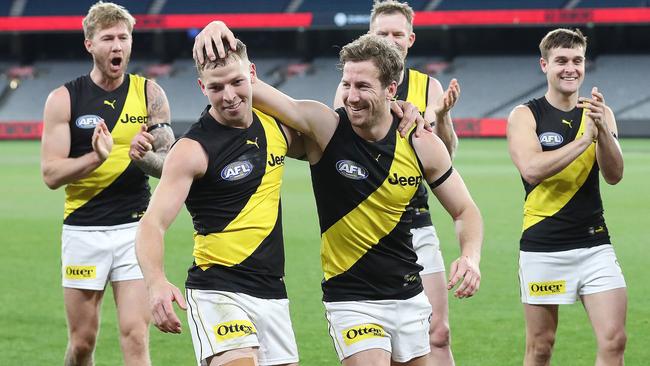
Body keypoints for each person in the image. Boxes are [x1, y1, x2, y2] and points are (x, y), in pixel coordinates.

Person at [198, 25, 482, 365]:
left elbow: (465, 210)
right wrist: (216, 27)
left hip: (407, 295)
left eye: (363, 86)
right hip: (351, 299)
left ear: (391, 89)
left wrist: (470, 256)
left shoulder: (420, 143)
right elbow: (249, 86)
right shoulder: (326, 128)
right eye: (346, 84)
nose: (351, 95)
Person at [135, 38, 305, 366]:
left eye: (237, 82)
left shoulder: (278, 128)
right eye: (216, 87)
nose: (229, 96)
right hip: (218, 288)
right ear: (202, 86)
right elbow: (152, 223)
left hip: (272, 292)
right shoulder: (192, 149)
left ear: (252, 74)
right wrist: (155, 282)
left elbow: (337, 136)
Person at [40, 2, 173, 365]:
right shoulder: (64, 98)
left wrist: (144, 158)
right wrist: (95, 158)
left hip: (134, 229)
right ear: (89, 44)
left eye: (124, 37)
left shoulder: (150, 94)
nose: (118, 46)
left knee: (135, 336)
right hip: (83, 231)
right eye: (108, 38)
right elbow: (50, 174)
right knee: (82, 343)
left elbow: (168, 165)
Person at [333, 2, 460, 363]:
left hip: (416, 219)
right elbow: (335, 144)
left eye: (397, 34)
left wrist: (443, 118)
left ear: (410, 39)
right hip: (369, 225)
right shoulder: (352, 88)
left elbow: (444, 157)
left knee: (438, 331)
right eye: (381, 33)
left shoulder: (428, 85)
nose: (390, 40)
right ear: (369, 36)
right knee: (384, 343)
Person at [507, 28, 626, 366]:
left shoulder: (600, 113)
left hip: (595, 245)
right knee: (541, 347)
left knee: (614, 339)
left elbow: (614, 175)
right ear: (544, 65)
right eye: (561, 61)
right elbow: (531, 169)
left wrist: (602, 132)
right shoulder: (524, 115)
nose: (570, 68)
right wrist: (584, 139)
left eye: (577, 60)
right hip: (544, 245)